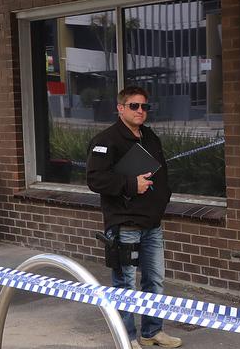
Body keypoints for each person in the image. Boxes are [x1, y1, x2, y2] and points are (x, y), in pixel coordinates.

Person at [87, 86, 181, 348]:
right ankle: (126, 338)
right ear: (120, 108)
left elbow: (161, 174)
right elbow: (95, 179)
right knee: (125, 283)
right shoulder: (106, 140)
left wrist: (163, 198)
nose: (141, 111)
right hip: (125, 224)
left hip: (152, 224)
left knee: (155, 281)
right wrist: (130, 185)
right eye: (134, 106)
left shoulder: (150, 137)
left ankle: (152, 332)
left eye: (145, 107)